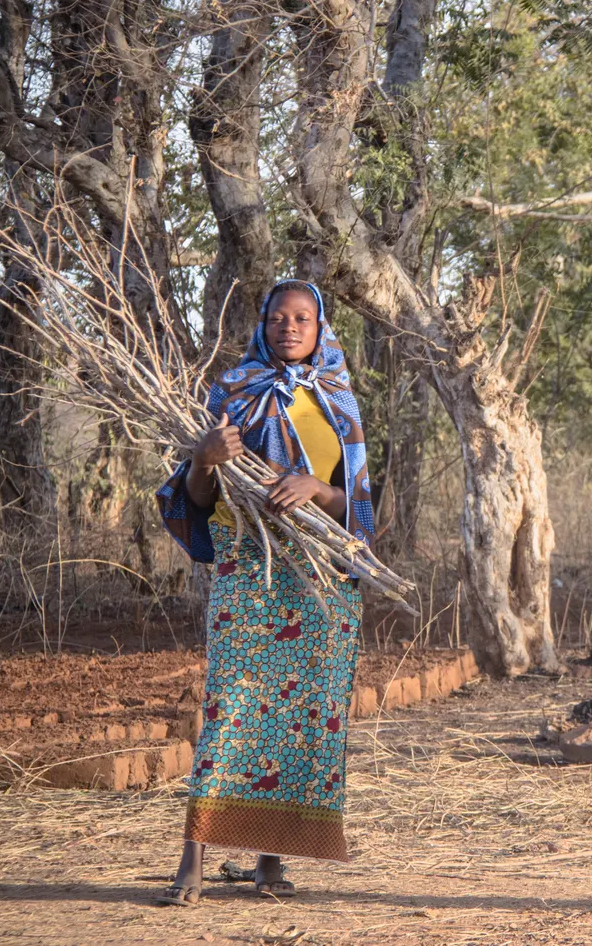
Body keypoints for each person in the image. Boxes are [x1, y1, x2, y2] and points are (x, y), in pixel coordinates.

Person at [152, 280, 377, 906]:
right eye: (278, 317)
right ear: (262, 324)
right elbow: (198, 500)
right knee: (234, 706)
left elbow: (352, 500)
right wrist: (203, 459)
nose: (289, 326)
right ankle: (191, 861)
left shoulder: (339, 400)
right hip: (247, 566)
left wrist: (314, 488)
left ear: (320, 326)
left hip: (319, 570)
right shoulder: (231, 392)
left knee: (300, 714)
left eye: (302, 317)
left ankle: (269, 861)